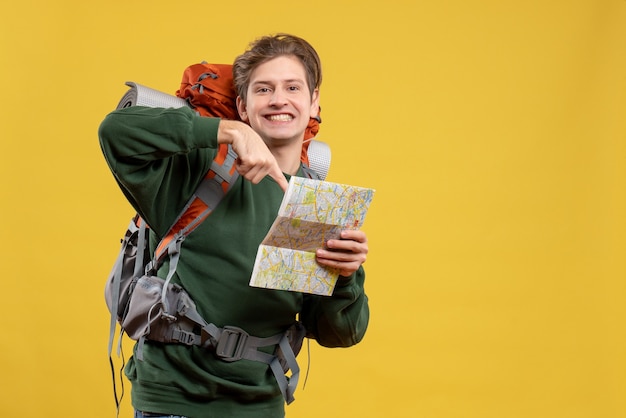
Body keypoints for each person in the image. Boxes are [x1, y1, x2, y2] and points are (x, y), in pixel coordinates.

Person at [99, 33, 370, 418]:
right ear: (243, 106)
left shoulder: (314, 204)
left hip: (259, 407)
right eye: (264, 89)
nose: (279, 99)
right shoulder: (198, 167)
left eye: (293, 87)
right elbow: (116, 132)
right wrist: (230, 132)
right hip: (172, 404)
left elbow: (339, 332)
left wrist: (345, 276)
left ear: (314, 103)